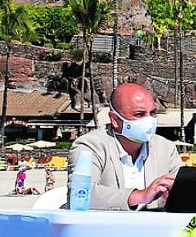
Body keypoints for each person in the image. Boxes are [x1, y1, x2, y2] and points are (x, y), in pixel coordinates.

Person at [68, 82, 182, 210]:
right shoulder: (89, 146)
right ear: (115, 119)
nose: (149, 120)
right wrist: (139, 196)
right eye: (139, 114)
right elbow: (81, 195)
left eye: (153, 113)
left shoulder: (166, 148)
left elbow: (184, 191)